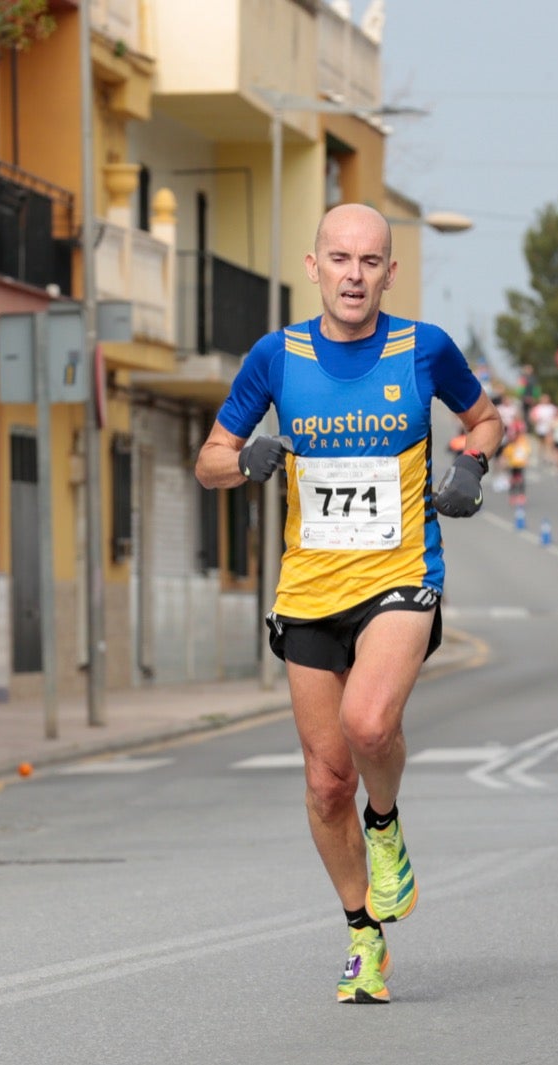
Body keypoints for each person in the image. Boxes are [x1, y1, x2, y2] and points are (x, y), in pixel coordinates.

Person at [194, 204, 502, 1004]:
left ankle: (387, 820)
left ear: (390, 273)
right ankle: (363, 935)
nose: (355, 275)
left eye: (371, 261)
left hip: (401, 572)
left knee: (370, 725)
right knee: (328, 778)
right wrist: (249, 456)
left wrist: (471, 462)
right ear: (315, 265)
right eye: (341, 259)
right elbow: (209, 460)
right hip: (308, 588)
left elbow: (488, 419)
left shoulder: (422, 347)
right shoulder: (277, 356)